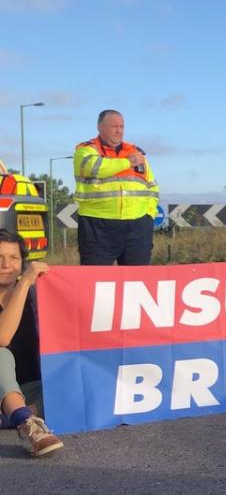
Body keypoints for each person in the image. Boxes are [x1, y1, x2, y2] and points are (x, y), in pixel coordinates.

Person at [0, 229, 62, 457]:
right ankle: (27, 424)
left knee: (78, 379)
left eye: (14, 258)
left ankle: (16, 415)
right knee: (1, 354)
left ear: (22, 261)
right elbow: (2, 337)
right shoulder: (26, 286)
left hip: (32, 387)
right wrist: (25, 280)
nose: (6, 264)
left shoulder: (37, 296)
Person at [73, 109, 160, 265]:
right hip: (98, 226)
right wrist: (127, 162)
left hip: (137, 227)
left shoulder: (136, 152)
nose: (119, 131)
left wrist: (149, 216)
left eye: (121, 126)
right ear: (100, 127)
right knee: (96, 281)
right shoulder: (86, 150)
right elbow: (94, 168)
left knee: (137, 282)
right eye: (114, 126)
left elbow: (152, 187)